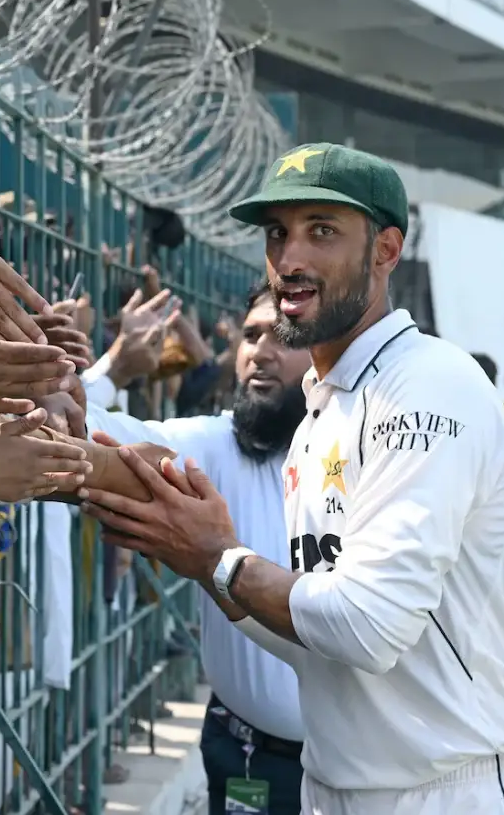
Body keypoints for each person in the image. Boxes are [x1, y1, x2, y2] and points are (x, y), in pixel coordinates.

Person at [80, 144, 504, 813]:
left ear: (386, 250)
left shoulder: (427, 385)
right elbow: (316, 648)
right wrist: (204, 564)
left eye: (321, 230)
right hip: (335, 787)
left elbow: (367, 626)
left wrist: (219, 559)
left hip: (449, 791)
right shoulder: (322, 410)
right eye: (278, 233)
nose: (290, 259)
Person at [76, 283, 311, 815]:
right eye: (250, 335)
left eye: (283, 336)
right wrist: (107, 372)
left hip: (359, 766)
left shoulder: (371, 458)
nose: (259, 352)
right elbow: (94, 433)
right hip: (244, 756)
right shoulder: (218, 445)